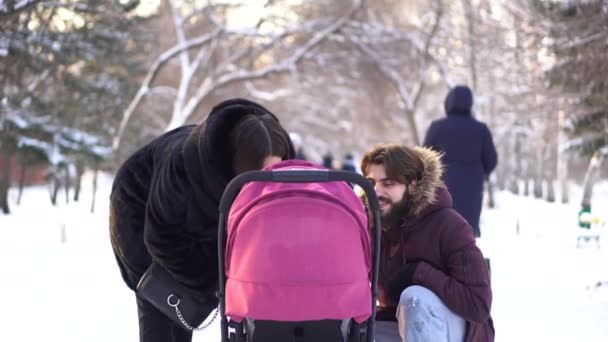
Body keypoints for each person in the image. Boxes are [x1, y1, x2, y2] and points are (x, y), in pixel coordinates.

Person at [109, 98, 295, 342]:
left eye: (275, 169)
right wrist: (214, 279)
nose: (268, 180)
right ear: (240, 166)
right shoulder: (181, 172)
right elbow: (162, 240)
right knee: (164, 305)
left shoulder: (263, 151)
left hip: (192, 220)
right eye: (260, 173)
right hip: (138, 208)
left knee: (184, 311)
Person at [360, 144, 494, 342]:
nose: (376, 191)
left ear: (412, 185)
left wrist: (420, 273)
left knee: (415, 299)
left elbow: (478, 306)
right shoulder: (370, 225)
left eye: (388, 184)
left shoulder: (449, 226)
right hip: (397, 322)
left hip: (458, 329)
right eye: (371, 182)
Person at [423, 85, 497, 238]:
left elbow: (425, 159)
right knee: (466, 232)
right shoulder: (481, 130)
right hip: (472, 190)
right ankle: (466, 261)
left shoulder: (437, 127)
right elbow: (491, 159)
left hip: (442, 188)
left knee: (441, 232)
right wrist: (481, 174)